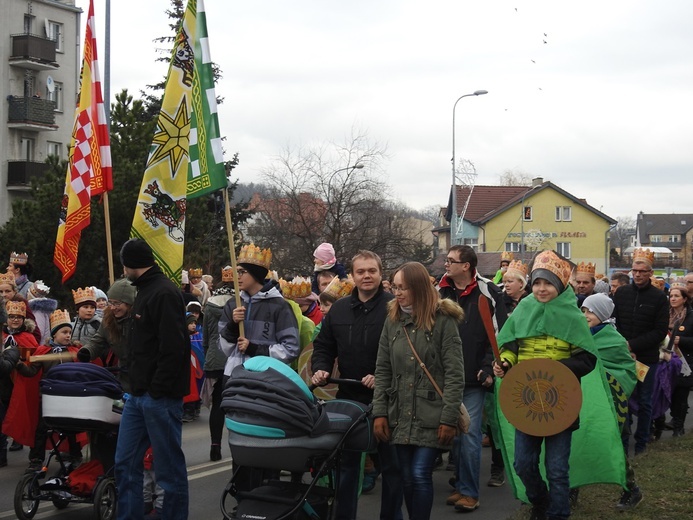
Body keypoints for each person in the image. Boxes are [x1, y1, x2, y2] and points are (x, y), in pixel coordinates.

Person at [493, 250, 598, 520]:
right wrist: (504, 363)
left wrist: (556, 370)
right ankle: (540, 501)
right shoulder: (523, 309)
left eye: (548, 283)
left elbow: (587, 360)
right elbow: (510, 347)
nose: (541, 288)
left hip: (560, 402)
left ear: (560, 285)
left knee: (557, 469)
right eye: (538, 282)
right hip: (526, 400)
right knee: (523, 464)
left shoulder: (573, 315)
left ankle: (558, 514)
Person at [312, 250, 403, 520]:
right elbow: (324, 346)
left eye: (371, 271)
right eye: (360, 271)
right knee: (348, 466)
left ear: (380, 273)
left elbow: (405, 351)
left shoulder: (394, 308)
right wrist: (321, 367)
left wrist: (382, 376)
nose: (366, 276)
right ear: (351, 275)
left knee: (392, 466)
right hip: (349, 397)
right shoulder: (339, 308)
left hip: (388, 398)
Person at [373, 262, 464, 520]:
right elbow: (383, 369)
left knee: (420, 474)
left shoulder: (444, 321)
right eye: (395, 287)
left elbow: (455, 374)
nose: (398, 293)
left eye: (404, 288)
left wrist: (448, 418)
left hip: (431, 413)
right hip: (399, 412)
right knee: (406, 477)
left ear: (420, 288)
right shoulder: (392, 320)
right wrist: (380, 412)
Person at [114, 239, 190, 520]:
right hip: (137, 396)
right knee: (125, 463)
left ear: (130, 263)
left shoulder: (164, 293)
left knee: (168, 471)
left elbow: (174, 347)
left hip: (159, 397)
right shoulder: (145, 290)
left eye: (124, 263)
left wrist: (157, 389)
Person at [218, 244, 300, 491]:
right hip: (236, 379)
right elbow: (223, 346)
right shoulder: (233, 304)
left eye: (242, 271)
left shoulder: (279, 306)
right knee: (240, 439)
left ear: (255, 273)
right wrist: (233, 326)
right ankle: (242, 495)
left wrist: (255, 349)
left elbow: (291, 348)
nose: (237, 275)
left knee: (264, 439)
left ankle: (267, 494)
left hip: (266, 383)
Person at [437, 245, 507, 512]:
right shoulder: (439, 291)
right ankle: (461, 485)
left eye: (451, 261)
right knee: (454, 436)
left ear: (466, 266)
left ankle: (469, 493)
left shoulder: (488, 290)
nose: (446, 264)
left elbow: (499, 331)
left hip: (473, 377)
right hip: (444, 377)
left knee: (469, 435)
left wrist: (488, 366)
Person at [580, 293, 642, 510]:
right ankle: (571, 489)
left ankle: (631, 489)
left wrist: (603, 381)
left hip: (609, 403)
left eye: (591, 311)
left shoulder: (614, 340)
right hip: (582, 400)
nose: (586, 315)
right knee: (575, 442)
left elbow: (626, 371)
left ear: (603, 314)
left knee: (612, 446)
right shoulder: (579, 335)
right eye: (584, 310)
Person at [612, 248, 669, 455]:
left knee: (645, 401)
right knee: (623, 399)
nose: (637, 274)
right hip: (623, 357)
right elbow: (614, 322)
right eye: (635, 270)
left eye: (642, 271)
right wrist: (623, 346)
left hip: (646, 359)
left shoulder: (659, 298)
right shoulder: (622, 293)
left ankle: (642, 442)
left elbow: (660, 331)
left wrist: (632, 346)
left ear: (650, 273)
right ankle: (623, 442)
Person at [15, 309, 82, 471]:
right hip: (47, 396)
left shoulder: (74, 352)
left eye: (69, 332)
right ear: (54, 335)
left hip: (68, 396)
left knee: (72, 427)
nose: (68, 335)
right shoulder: (43, 352)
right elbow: (31, 372)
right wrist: (18, 365)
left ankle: (75, 455)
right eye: (64, 332)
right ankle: (36, 459)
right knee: (42, 428)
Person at [77, 278, 137, 391]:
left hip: (146, 381)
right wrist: (87, 351)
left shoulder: (141, 319)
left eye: (117, 303)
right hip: (123, 380)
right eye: (110, 302)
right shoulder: (108, 320)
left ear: (130, 303)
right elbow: (98, 340)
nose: (113, 307)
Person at [202, 267, 234, 462]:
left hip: (214, 358)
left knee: (217, 405)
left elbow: (205, 338)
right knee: (236, 404)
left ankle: (215, 446)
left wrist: (209, 356)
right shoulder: (239, 303)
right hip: (234, 358)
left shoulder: (209, 304)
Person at [1, 301, 33, 466]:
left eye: (18, 317)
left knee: (16, 412)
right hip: (4, 380)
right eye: (11, 317)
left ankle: (18, 439)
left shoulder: (28, 337)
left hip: (19, 380)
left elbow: (33, 359)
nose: (14, 320)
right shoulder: (2, 335)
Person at [668, 283, 693, 437]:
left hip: (686, 361)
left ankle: (679, 427)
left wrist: (681, 340)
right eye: (671, 296)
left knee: (681, 395)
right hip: (667, 359)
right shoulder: (665, 315)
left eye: (677, 296)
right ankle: (669, 419)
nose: (673, 298)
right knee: (668, 393)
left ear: (684, 299)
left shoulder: (691, 317)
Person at [26, 281, 58, 346]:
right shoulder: (39, 310)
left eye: (28, 292)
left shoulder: (38, 311)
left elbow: (39, 332)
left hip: (38, 347)